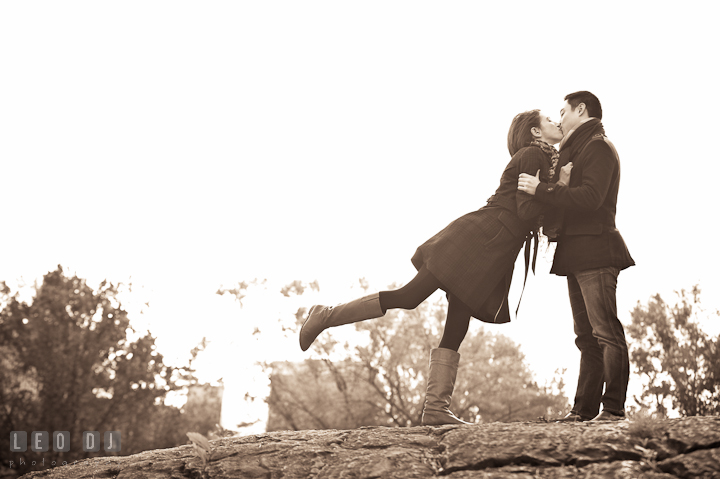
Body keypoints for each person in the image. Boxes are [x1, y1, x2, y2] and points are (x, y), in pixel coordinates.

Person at [300, 109, 570, 426]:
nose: (556, 122)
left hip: (493, 246)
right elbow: (525, 211)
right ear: (536, 132)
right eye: (550, 119)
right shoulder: (533, 154)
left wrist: (557, 185)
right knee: (410, 296)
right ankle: (325, 315)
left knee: (457, 320)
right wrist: (560, 186)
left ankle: (436, 409)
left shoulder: (543, 159)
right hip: (480, 239)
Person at [518, 91, 635, 422]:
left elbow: (591, 198)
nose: (560, 118)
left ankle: (613, 409)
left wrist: (540, 189)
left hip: (597, 251)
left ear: (580, 110)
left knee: (606, 333)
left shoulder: (598, 146)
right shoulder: (578, 148)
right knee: (586, 338)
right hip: (577, 253)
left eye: (563, 111)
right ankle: (583, 412)